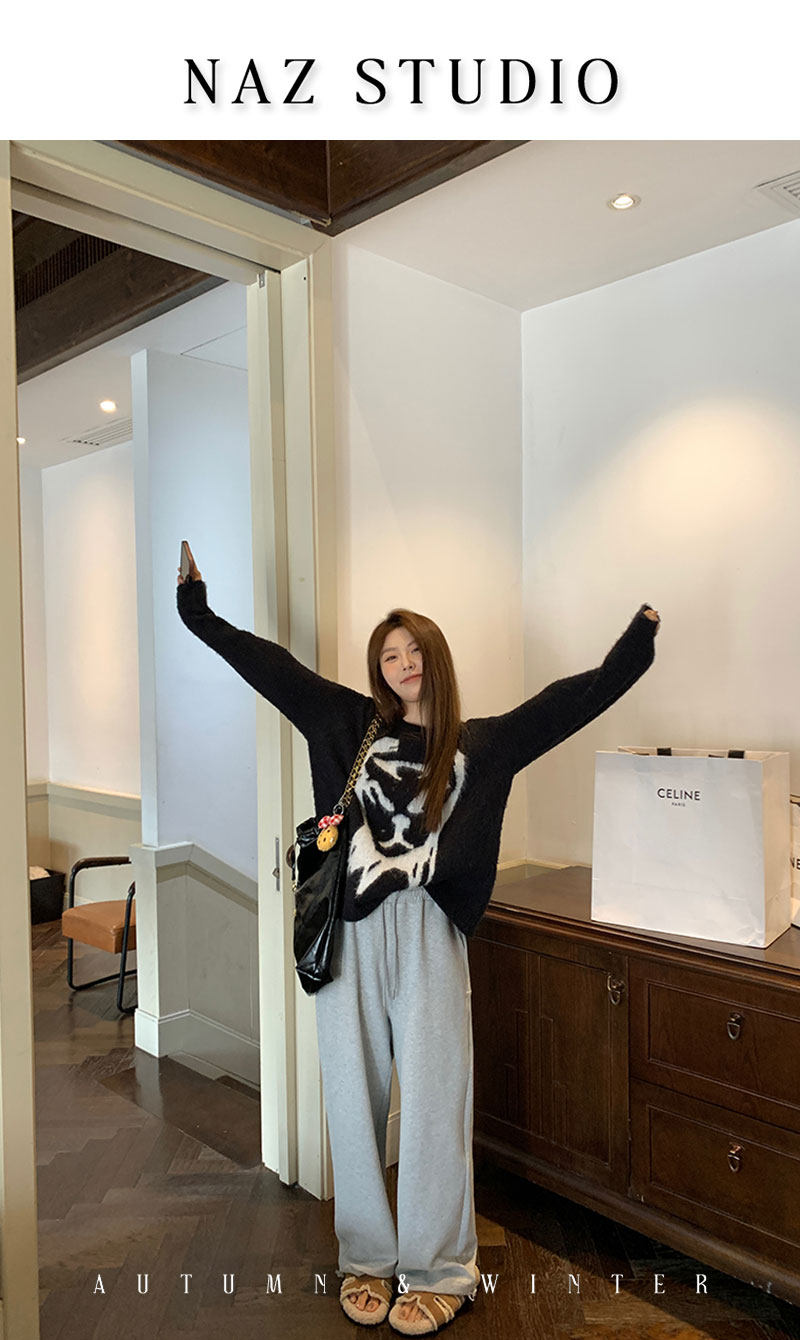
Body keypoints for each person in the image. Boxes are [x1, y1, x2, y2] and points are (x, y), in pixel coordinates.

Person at [176, 543, 660, 1335]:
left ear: (437, 657)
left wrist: (634, 645)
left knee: (436, 1104)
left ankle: (441, 1270)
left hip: (432, 933)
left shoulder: (484, 745)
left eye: (413, 650)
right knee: (352, 1099)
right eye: (388, 655)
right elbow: (268, 666)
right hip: (352, 932)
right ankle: (366, 1258)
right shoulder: (344, 724)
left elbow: (568, 702)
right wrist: (197, 611)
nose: (402, 663)